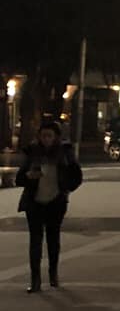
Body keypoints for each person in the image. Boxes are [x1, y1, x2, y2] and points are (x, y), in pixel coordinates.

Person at [16, 121, 83, 293]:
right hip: (34, 202)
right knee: (35, 242)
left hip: (55, 202)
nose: (46, 139)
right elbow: (19, 178)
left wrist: (65, 190)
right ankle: (35, 280)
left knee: (53, 240)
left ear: (56, 138)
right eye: (43, 135)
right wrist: (28, 176)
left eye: (49, 136)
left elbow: (76, 176)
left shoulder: (64, 153)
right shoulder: (32, 152)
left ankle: (53, 274)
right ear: (39, 136)